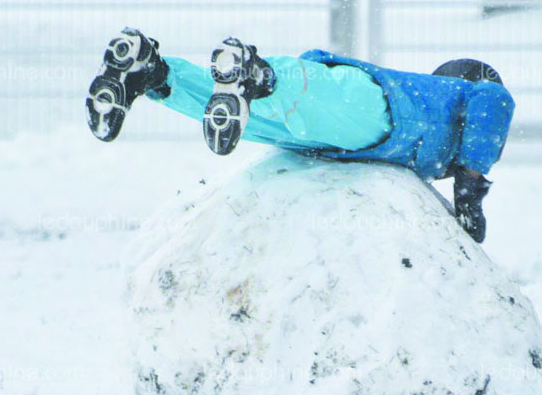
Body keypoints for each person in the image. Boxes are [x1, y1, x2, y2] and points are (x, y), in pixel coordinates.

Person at [85, 30, 515, 243]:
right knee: (304, 95)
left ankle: (153, 73)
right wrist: (471, 190)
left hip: (332, 140)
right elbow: (495, 104)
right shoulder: (462, 96)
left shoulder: (433, 129)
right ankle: (257, 72)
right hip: (381, 111)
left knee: (249, 118)